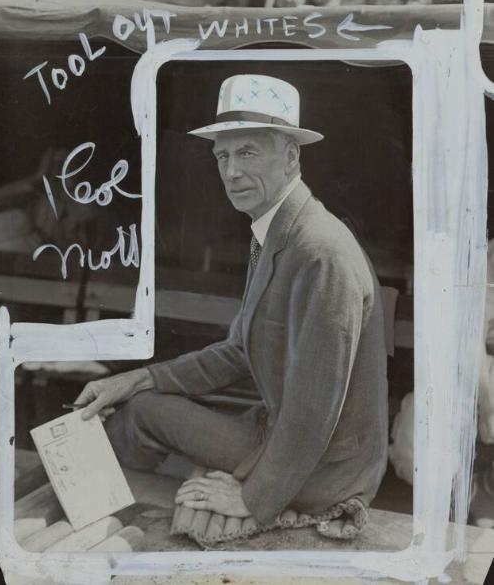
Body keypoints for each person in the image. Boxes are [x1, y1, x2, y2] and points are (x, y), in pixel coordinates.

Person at [75, 74, 389, 526]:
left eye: (247, 152)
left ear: (291, 156)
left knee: (139, 418)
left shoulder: (321, 252)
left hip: (327, 471)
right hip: (280, 432)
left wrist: (251, 500)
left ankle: (112, 527)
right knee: (138, 404)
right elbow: (239, 352)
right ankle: (111, 517)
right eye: (222, 155)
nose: (231, 171)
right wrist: (138, 378)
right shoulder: (276, 229)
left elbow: (313, 411)